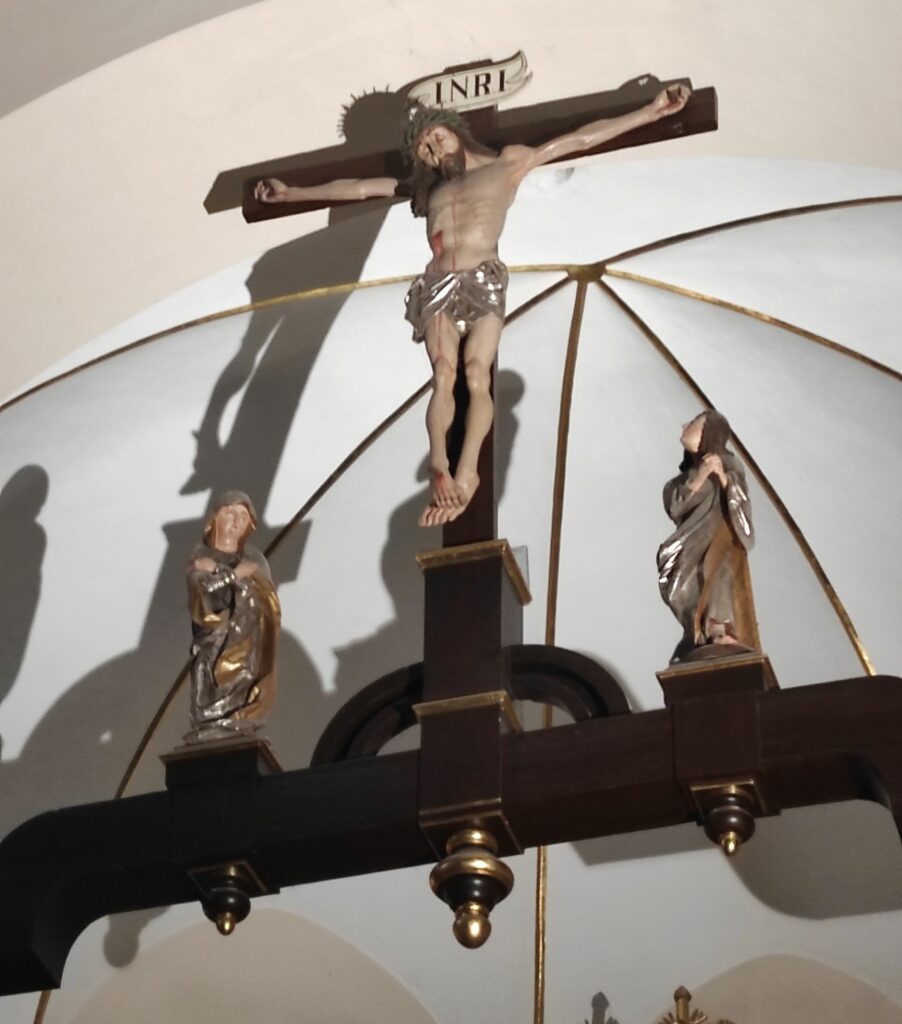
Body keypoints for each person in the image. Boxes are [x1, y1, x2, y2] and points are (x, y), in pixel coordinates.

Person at [255, 85, 691, 526]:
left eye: (437, 138)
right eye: (425, 149)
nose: (433, 150)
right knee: (443, 374)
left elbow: (577, 139)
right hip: (437, 283)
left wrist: (649, 112)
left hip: (482, 277)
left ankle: (468, 471)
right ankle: (439, 465)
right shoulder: (425, 189)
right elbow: (362, 188)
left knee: (477, 372)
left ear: (455, 131)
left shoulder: (507, 164)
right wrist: (292, 194)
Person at [656, 410, 755, 664]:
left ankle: (719, 628)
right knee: (688, 588)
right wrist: (700, 476)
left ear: (710, 432)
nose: (684, 425)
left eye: (692, 423)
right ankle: (695, 634)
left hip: (720, 537)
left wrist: (723, 478)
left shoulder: (729, 464)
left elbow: (739, 500)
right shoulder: (677, 482)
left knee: (718, 573)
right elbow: (675, 507)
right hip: (688, 544)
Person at [185, 491, 281, 741]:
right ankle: (212, 721)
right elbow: (202, 594)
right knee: (209, 677)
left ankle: (240, 717)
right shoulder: (201, 554)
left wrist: (220, 572)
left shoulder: (255, 558)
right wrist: (235, 574)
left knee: (247, 677)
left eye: (243, 516)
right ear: (214, 519)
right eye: (230, 513)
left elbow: (265, 597)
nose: (237, 521)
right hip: (213, 639)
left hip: (249, 641)